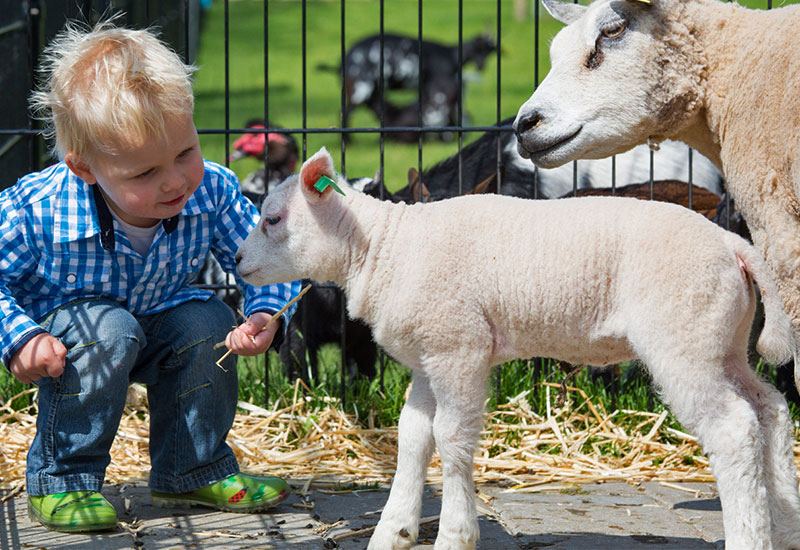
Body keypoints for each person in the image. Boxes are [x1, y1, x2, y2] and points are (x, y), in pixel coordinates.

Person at [0, 19, 302, 532]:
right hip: (75, 337)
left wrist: (265, 310)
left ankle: (191, 467)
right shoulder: (39, 210)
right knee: (109, 328)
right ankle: (64, 478)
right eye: (144, 173)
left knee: (207, 320)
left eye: (186, 152)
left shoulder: (211, 191)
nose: (175, 180)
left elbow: (266, 255)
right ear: (85, 168)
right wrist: (18, 338)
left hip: (159, 320)